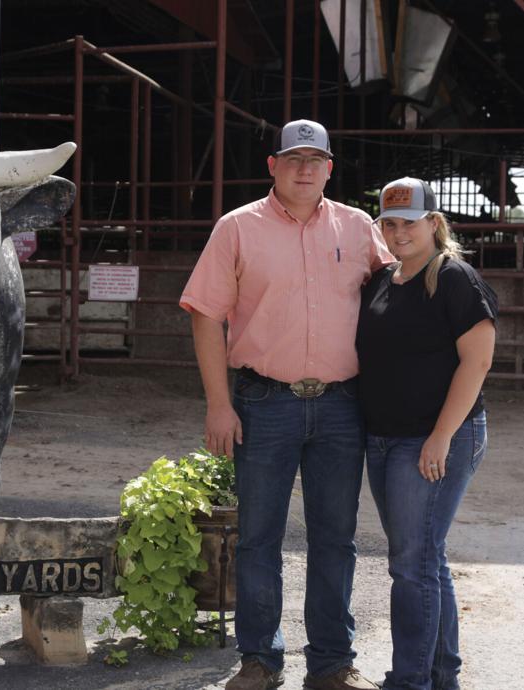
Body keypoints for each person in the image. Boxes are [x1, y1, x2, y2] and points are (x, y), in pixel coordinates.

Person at [180, 119, 392, 690]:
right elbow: (206, 315)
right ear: (272, 166)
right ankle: (260, 660)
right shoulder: (237, 227)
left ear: (329, 168)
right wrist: (218, 405)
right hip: (262, 401)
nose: (304, 169)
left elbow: (394, 299)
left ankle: (331, 664)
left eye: (314, 160)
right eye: (293, 159)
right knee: (258, 537)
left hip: (342, 405)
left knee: (335, 538)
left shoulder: (359, 227)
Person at [356, 178, 498, 690]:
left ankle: (409, 680)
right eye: (390, 223)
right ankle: (441, 676)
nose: (399, 233)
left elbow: (477, 363)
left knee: (411, 564)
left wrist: (440, 436)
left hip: (436, 438)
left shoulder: (455, 278)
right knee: (423, 558)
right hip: (385, 437)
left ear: (434, 223)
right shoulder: (382, 279)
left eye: (410, 223)